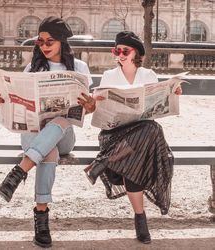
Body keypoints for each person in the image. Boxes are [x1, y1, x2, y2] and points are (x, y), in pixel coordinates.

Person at [0, 16, 92, 248]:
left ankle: (19, 172)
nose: (44, 46)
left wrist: (90, 106)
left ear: (62, 42)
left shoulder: (79, 68)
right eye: (40, 42)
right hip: (34, 133)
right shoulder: (33, 67)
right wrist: (2, 99)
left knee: (59, 119)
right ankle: (41, 220)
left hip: (64, 134)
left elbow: (84, 111)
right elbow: (17, 103)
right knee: (48, 153)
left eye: (50, 41)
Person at [78, 31, 182, 244]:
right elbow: (94, 111)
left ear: (136, 53)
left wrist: (172, 93)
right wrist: (92, 105)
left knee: (149, 130)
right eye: (117, 50)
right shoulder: (108, 77)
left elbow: (155, 109)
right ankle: (140, 218)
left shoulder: (149, 75)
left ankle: (106, 163)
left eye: (125, 50)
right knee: (148, 135)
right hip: (114, 136)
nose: (120, 54)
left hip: (139, 138)